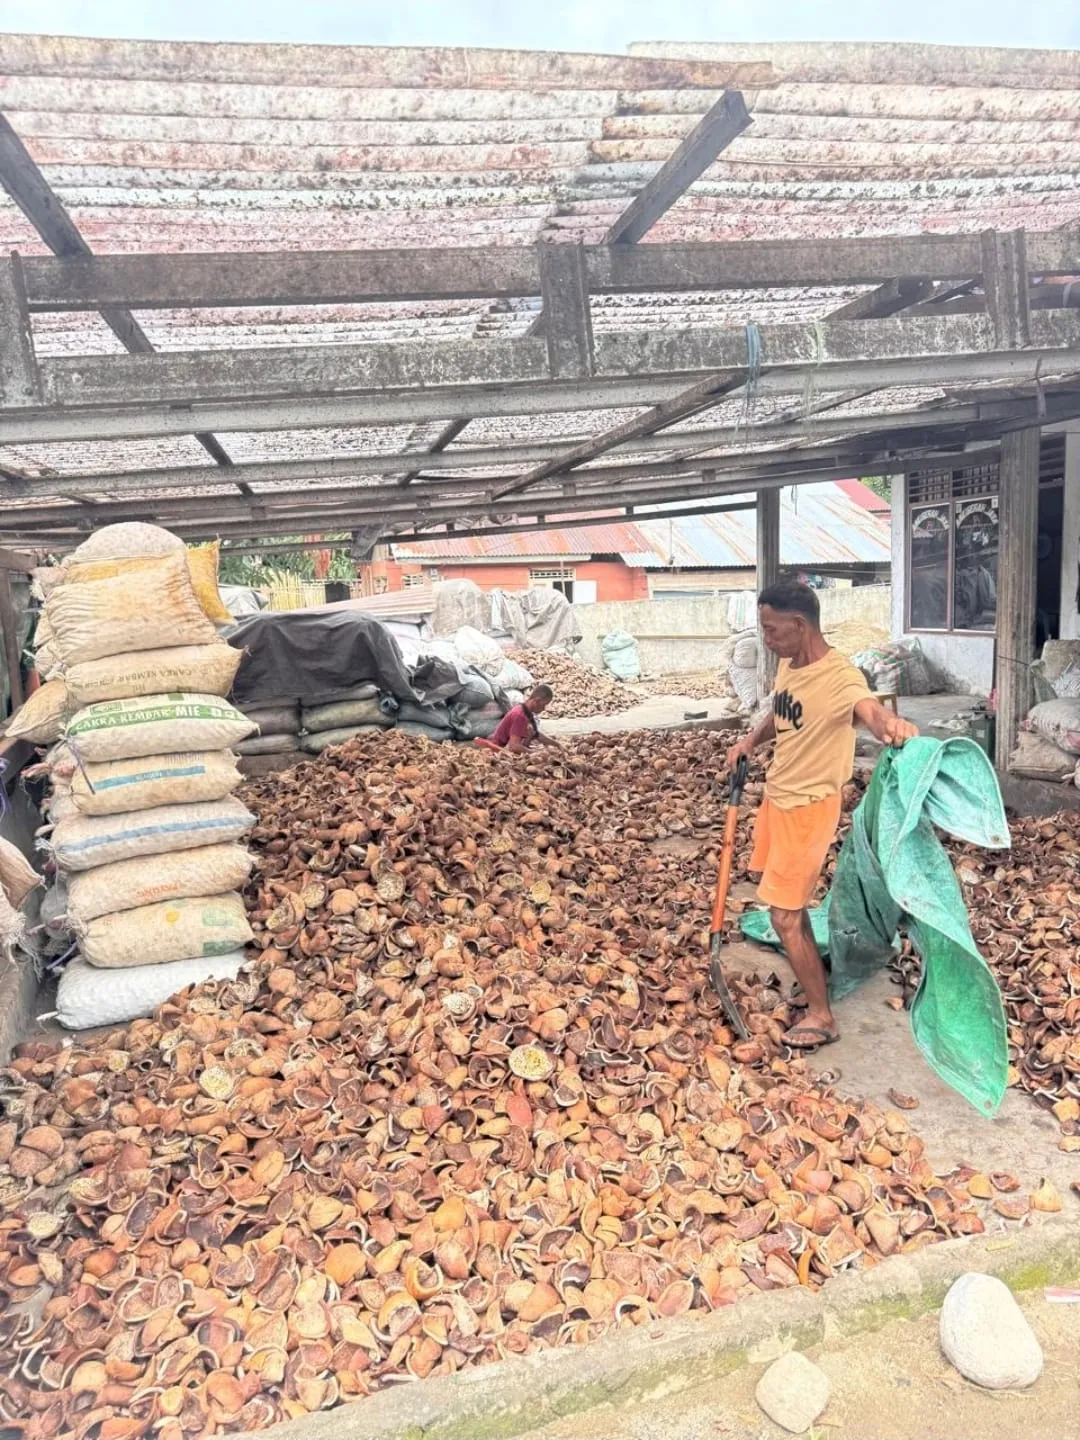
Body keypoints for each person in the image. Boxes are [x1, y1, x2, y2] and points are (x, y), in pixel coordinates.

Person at [726, 579, 919, 1051]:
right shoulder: (791, 666)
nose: (766, 639)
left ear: (798, 624)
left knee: (785, 916)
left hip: (809, 807)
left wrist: (889, 725)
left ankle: (822, 1014)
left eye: (771, 630)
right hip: (779, 797)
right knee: (785, 908)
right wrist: (750, 741)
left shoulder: (841, 677)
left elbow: (868, 709)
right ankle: (814, 979)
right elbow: (780, 711)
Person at [475, 684, 560, 754]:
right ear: (536, 701)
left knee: (530, 730)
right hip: (498, 749)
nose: (544, 709)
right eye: (544, 705)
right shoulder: (520, 715)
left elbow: (536, 734)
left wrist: (557, 745)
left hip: (505, 746)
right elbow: (514, 747)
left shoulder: (525, 711)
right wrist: (535, 753)